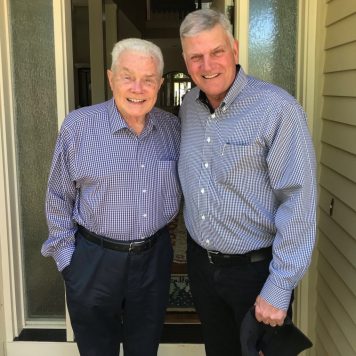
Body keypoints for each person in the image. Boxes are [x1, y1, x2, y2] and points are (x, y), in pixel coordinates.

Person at [178, 8, 317, 356]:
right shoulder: (187, 106)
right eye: (196, 57)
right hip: (202, 267)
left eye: (216, 52)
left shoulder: (276, 108)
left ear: (235, 50)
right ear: (185, 60)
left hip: (255, 274)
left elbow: (297, 200)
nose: (207, 65)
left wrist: (280, 285)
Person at [41, 38, 181, 356]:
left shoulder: (172, 129)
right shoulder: (79, 127)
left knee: (144, 349)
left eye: (148, 79)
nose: (138, 88)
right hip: (94, 260)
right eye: (127, 76)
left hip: (153, 259)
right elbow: (57, 197)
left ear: (160, 83)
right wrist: (70, 265)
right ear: (110, 78)